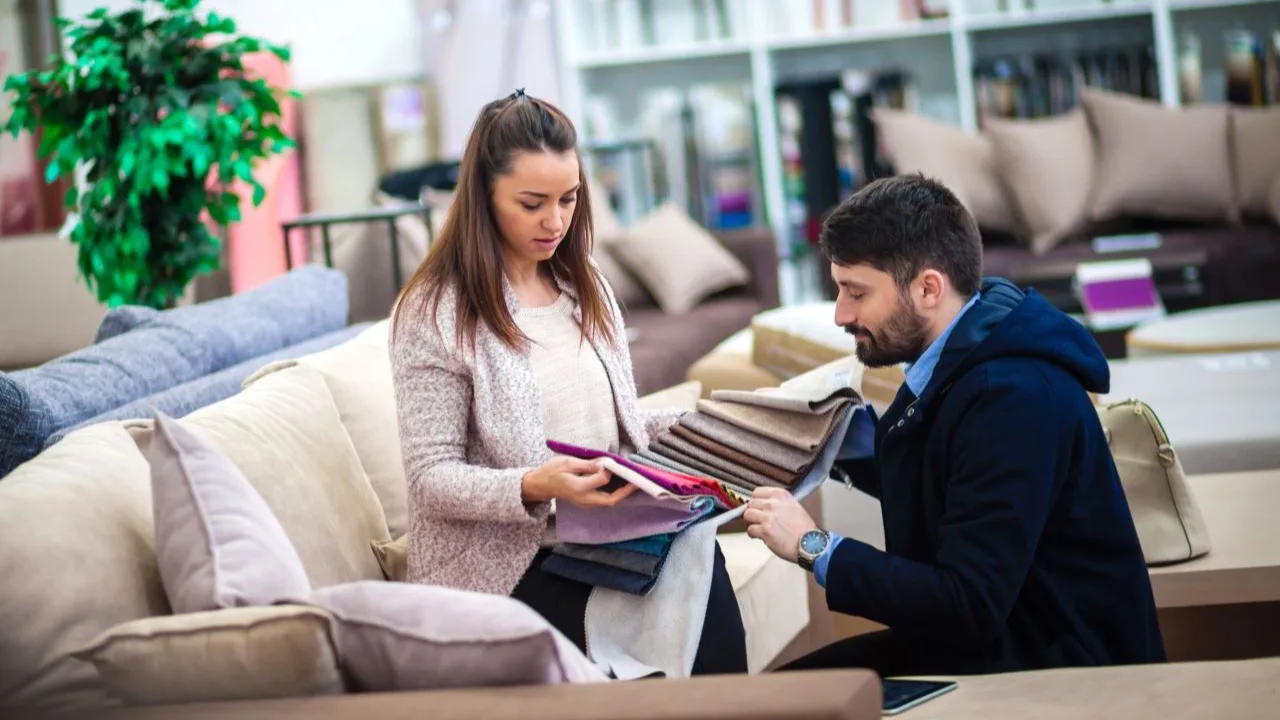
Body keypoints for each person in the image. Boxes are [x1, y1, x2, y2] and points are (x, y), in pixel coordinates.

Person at [743, 173, 1166, 677]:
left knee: (779, 702)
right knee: (778, 695)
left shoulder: (1011, 397)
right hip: (1008, 639)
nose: (840, 314)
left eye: (855, 293)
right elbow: (952, 470)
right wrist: (818, 434)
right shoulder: (969, 348)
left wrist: (813, 546)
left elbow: (968, 604)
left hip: (1058, 670)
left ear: (927, 288)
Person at [388, 89, 747, 678]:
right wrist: (534, 485)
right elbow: (431, 480)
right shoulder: (435, 312)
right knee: (681, 586)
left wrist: (708, 430)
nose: (555, 221)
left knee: (698, 553)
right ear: (483, 196)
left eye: (569, 199)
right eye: (531, 204)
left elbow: (618, 427)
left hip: (599, 532)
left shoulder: (586, 286)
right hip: (509, 565)